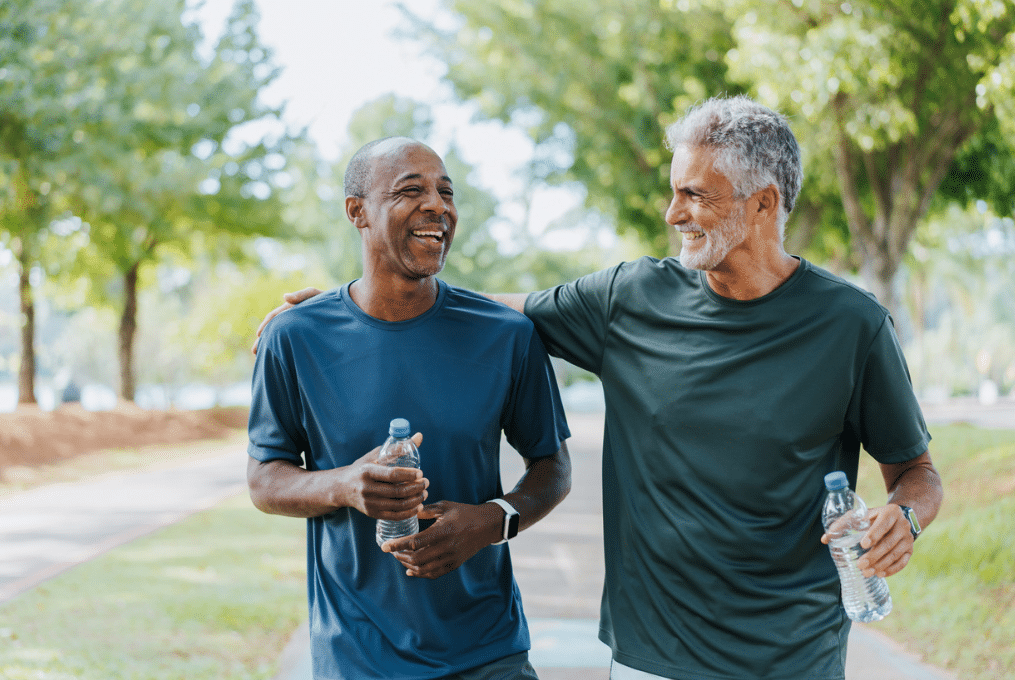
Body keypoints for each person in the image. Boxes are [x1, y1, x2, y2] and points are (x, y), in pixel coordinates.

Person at [254, 97, 943, 680]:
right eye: (674, 190)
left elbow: (916, 472)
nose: (673, 213)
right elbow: (495, 311)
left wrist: (902, 518)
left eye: (694, 194)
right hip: (651, 657)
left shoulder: (853, 326)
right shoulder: (631, 299)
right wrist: (344, 308)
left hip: (798, 655)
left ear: (763, 204)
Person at [248, 136, 572, 680]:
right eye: (410, 190)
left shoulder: (507, 337)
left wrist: (494, 521)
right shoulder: (295, 337)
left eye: (446, 192)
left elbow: (553, 467)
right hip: (357, 658)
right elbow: (264, 480)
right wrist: (345, 484)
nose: (437, 206)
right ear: (358, 212)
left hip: (488, 654)